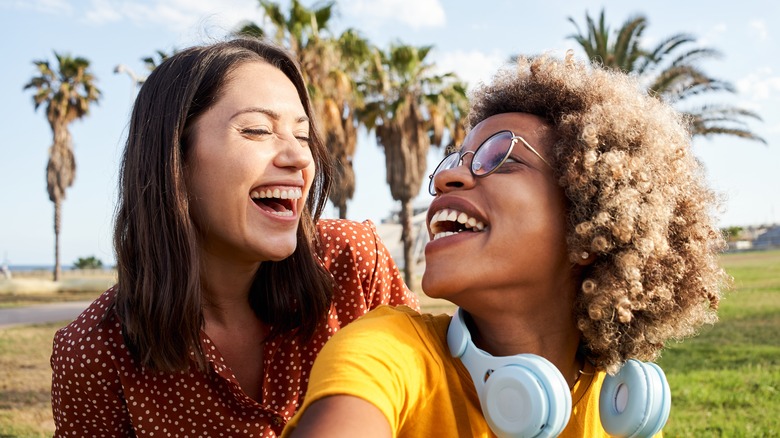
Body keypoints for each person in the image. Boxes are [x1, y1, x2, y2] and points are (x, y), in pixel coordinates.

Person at [283, 51, 728, 437]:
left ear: (592, 219)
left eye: (499, 157)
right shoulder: (389, 349)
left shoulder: (619, 412)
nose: (443, 178)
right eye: (454, 160)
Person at [50, 37, 419, 437]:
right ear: (175, 157)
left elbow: (434, 406)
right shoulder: (94, 352)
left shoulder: (352, 263)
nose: (299, 158)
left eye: (302, 135)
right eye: (258, 130)